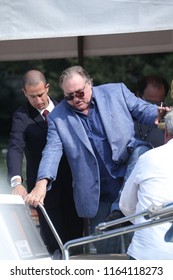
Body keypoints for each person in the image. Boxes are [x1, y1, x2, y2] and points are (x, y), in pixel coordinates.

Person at [25, 65, 164, 254]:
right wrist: (41, 183)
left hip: (129, 183)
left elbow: (143, 109)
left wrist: (159, 115)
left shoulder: (116, 91)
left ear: (90, 84)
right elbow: (52, 150)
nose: (75, 99)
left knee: (141, 151)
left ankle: (120, 209)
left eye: (80, 93)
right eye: (69, 96)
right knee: (106, 253)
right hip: (97, 194)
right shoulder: (58, 117)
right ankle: (116, 211)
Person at [6, 69, 83, 257]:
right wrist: (17, 182)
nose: (38, 100)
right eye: (32, 96)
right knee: (53, 242)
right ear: (24, 93)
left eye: (40, 94)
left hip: (73, 186)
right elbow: (15, 147)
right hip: (43, 193)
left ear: (47, 88)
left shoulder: (65, 107)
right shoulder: (21, 116)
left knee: (76, 241)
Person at [119, 109, 173, 260]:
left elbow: (125, 205)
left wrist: (145, 223)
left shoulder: (147, 158)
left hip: (145, 253)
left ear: (166, 132)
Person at [134, 75, 170, 147]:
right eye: (150, 103)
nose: (154, 108)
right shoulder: (125, 115)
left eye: (158, 104)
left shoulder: (168, 120)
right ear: (138, 95)